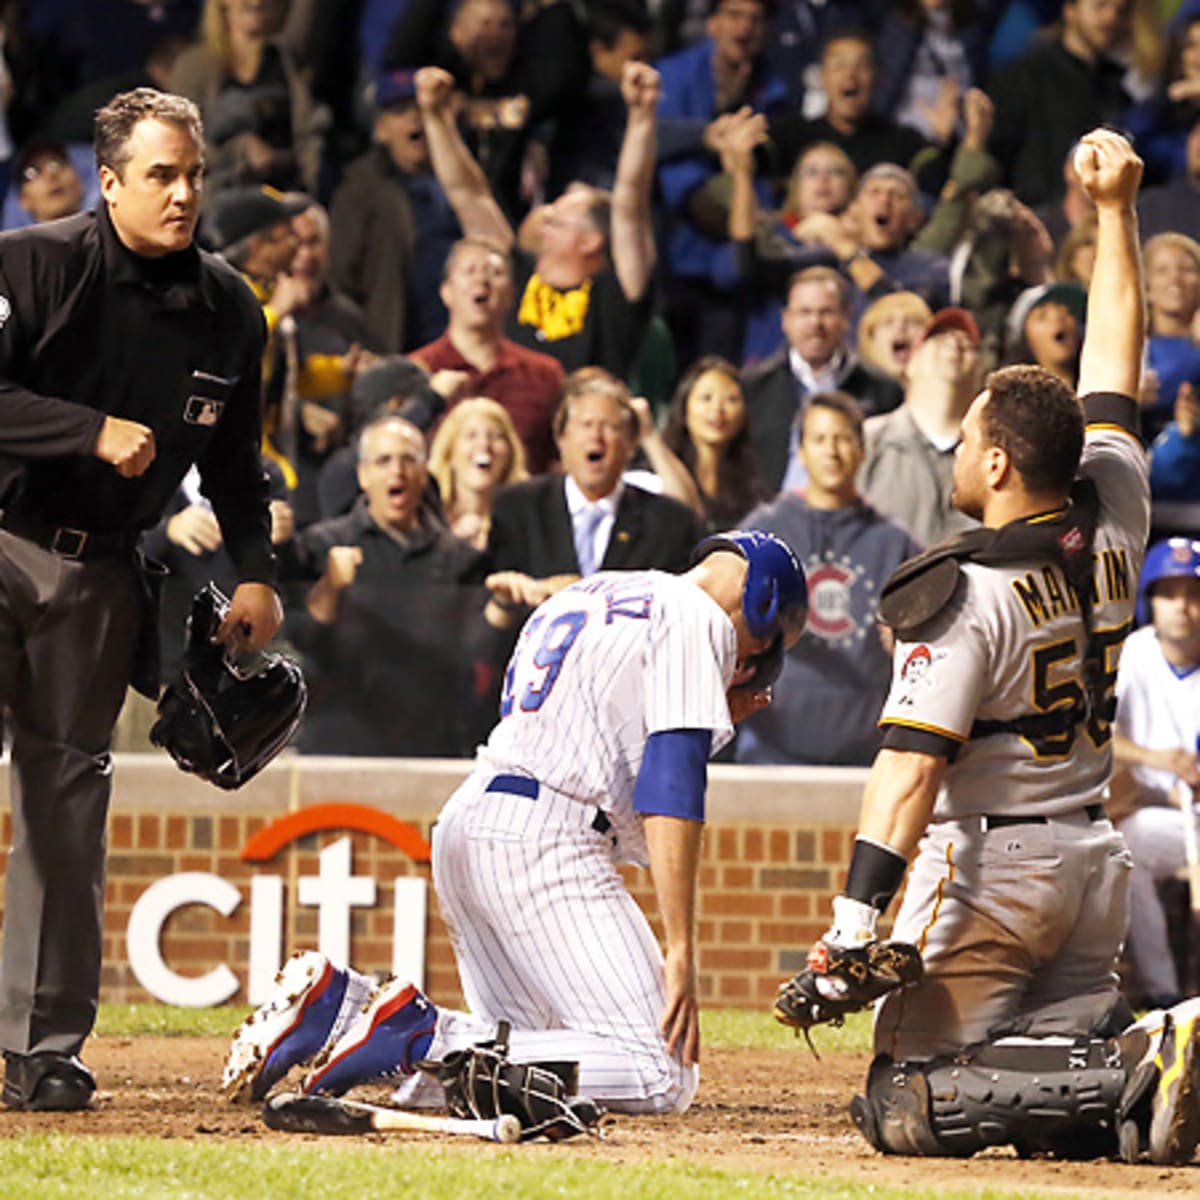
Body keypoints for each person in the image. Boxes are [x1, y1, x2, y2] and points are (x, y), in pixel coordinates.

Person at [786, 129, 1200, 1168]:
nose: (960, 448)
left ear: (1004, 462)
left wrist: (851, 927)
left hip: (1004, 869)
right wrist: (1116, 213)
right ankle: (1115, 1084)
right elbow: (1112, 366)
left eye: (972, 437)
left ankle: (1137, 1060)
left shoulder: (967, 589)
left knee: (904, 1102)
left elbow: (910, 771)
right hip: (1092, 863)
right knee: (1041, 1099)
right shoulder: (1117, 510)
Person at [224, 530, 808, 1115]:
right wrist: (680, 947)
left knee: (518, 1072)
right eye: (766, 650)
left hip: (474, 823)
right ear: (762, 610)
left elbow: (618, 786)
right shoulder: (697, 616)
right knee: (659, 1070)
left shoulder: (594, 592)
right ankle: (420, 1037)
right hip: (546, 840)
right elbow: (670, 789)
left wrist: (708, 711)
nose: (754, 667)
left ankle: (337, 1008)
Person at [0, 87, 281, 1112]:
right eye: (160, 175)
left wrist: (255, 570)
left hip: (100, 575)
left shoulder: (230, 308)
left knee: (65, 802)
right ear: (109, 179)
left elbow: (240, 468)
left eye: (194, 174)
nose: (182, 193)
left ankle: (39, 1049)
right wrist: (88, 430)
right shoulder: (29, 263)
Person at [416, 59, 659, 381]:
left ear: (590, 240)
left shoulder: (614, 295)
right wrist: (436, 118)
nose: (542, 223)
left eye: (557, 221)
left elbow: (631, 203)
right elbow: (468, 195)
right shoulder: (513, 279)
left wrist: (641, 117)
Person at [282, 413, 488, 757]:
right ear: (363, 475)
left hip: (432, 743)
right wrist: (331, 586)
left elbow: (474, 650)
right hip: (339, 743)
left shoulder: (460, 559)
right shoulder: (322, 544)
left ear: (425, 473)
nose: (397, 471)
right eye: (384, 460)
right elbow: (303, 641)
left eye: (409, 459)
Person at [736, 391, 921, 766]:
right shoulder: (764, 532)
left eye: (843, 439)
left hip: (867, 752)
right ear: (801, 452)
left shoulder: (896, 542)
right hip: (772, 748)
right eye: (819, 439)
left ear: (862, 449)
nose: (832, 451)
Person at [484, 368, 705, 626]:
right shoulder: (516, 508)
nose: (595, 437)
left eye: (610, 427)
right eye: (585, 425)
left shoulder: (669, 522)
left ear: (631, 443)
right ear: (561, 438)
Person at [1112, 538, 1200, 1011]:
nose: (1182, 607)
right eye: (1170, 593)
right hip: (1162, 813)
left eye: (1193, 593)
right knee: (1127, 849)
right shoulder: (1135, 652)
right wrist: (1158, 758)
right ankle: (1166, 995)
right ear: (1151, 600)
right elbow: (1098, 735)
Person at [328, 68, 461, 355]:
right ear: (380, 129)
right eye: (400, 110)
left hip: (467, 339)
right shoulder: (359, 193)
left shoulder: (466, 181)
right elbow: (340, 279)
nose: (415, 118)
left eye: (420, 108)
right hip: (401, 345)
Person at [410, 235, 565, 476]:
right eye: (469, 271)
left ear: (511, 295)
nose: (481, 280)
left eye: (494, 272)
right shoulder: (417, 371)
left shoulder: (545, 375)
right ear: (446, 292)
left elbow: (557, 461)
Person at [744, 266, 903, 496]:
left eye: (826, 312)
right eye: (804, 312)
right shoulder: (753, 389)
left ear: (847, 317)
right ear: (786, 319)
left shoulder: (883, 390)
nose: (815, 324)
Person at [858, 307, 983, 548]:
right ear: (909, 365)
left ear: (979, 370)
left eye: (966, 344)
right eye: (939, 341)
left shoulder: (993, 453)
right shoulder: (867, 441)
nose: (954, 346)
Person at [985, 0, 1130, 207]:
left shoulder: (1116, 88)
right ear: (1070, 11)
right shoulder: (1024, 76)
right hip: (1036, 215)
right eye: (1100, 5)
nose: (1111, 18)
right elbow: (997, 155)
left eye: (1120, 11)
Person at [661, 355, 766, 530]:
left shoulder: (755, 480)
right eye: (706, 398)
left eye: (731, 399)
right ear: (684, 407)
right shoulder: (661, 473)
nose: (717, 410)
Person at [427, 396, 529, 551]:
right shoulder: (427, 518)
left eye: (495, 436)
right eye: (471, 436)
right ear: (450, 453)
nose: (484, 445)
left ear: (510, 453)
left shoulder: (529, 518)